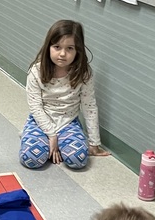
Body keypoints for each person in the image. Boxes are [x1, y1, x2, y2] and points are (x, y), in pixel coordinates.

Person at [19, 19, 109, 169]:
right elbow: (35, 106)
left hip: (68, 123)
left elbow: (89, 107)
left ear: (78, 51)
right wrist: (51, 134)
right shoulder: (36, 71)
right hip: (40, 122)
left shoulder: (84, 73)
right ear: (48, 47)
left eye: (70, 48)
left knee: (78, 160)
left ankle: (56, 144)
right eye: (57, 47)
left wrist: (94, 143)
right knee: (31, 159)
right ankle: (37, 138)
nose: (62, 54)